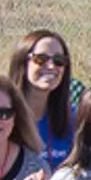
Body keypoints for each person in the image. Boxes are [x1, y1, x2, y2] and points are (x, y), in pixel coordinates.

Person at [10, 31, 77, 170]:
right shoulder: (3, 116)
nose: (51, 66)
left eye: (59, 61)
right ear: (23, 62)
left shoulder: (72, 118)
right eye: (41, 59)